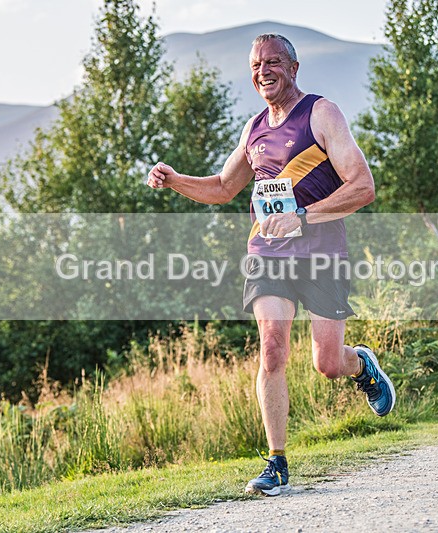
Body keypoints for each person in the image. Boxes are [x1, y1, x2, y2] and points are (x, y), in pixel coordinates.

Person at [147, 33, 395, 496]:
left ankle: (360, 366)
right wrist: (175, 179)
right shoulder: (254, 128)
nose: (263, 71)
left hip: (322, 253)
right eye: (256, 64)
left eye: (273, 62)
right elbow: (223, 187)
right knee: (272, 350)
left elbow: (362, 186)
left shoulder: (321, 114)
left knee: (326, 362)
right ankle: (277, 463)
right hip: (268, 253)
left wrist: (302, 215)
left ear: (294, 67)